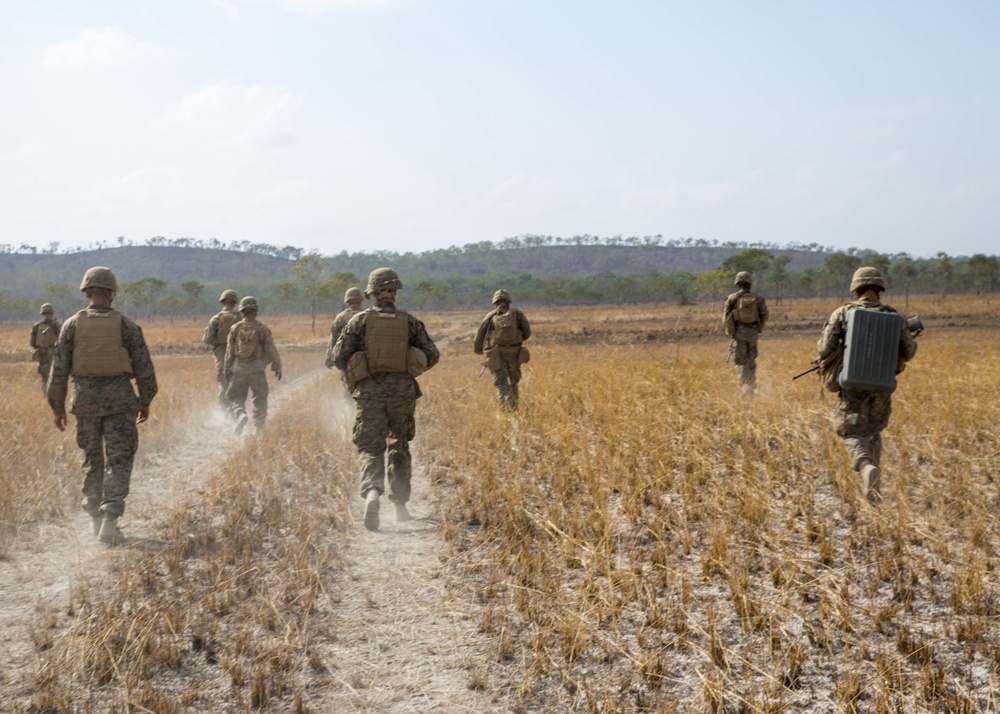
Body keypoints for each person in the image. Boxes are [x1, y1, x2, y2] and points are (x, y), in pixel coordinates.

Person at [47, 267, 158, 545]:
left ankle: (96, 521)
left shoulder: (71, 324)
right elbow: (144, 368)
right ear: (111, 292)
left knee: (92, 461)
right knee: (119, 460)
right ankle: (110, 520)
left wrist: (57, 407)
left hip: (84, 403)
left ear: (87, 292)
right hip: (120, 402)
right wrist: (145, 401)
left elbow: (58, 370)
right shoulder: (126, 324)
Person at [332, 268, 439, 532]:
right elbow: (432, 355)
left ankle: (372, 493)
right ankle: (401, 507)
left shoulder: (359, 321)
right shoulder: (410, 322)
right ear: (394, 291)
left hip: (369, 393)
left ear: (371, 293)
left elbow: (338, 357)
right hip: (403, 393)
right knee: (399, 445)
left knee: (370, 448)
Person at [817, 267, 917, 503]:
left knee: (851, 430)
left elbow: (823, 348)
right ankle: (874, 489)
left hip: (852, 386)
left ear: (856, 288)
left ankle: (864, 466)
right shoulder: (896, 317)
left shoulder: (842, 313)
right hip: (882, 387)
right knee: (873, 431)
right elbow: (909, 352)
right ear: (879, 288)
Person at [224, 296, 282, 435]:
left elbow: (229, 352)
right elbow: (270, 348)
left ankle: (240, 415)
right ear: (255, 311)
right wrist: (277, 365)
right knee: (260, 398)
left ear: (241, 311)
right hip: (257, 369)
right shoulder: (262, 328)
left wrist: (227, 369)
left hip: (239, 369)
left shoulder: (235, 328)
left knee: (235, 397)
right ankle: (258, 429)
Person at [473, 289, 531, 411]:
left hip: (496, 354)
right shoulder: (517, 314)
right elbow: (527, 333)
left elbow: (480, 335)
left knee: (501, 383)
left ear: (495, 302)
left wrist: (479, 350)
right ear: (509, 301)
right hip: (515, 353)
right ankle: (514, 408)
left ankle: (504, 410)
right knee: (513, 381)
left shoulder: (490, 316)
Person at [723, 271, 769, 396]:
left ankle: (745, 386)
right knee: (751, 360)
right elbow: (765, 315)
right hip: (753, 334)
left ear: (737, 283)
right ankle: (752, 387)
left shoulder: (732, 298)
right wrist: (758, 328)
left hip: (738, 334)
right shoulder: (758, 298)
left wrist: (731, 332)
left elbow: (726, 318)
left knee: (739, 361)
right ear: (750, 283)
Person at [203, 289, 241, 410]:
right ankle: (238, 410)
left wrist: (219, 343)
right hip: (238, 359)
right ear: (235, 303)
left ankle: (223, 413)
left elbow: (207, 339)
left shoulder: (215, 319)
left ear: (222, 302)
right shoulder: (240, 319)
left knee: (223, 386)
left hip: (222, 359)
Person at [325, 287, 364, 371]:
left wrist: (329, 358)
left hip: (346, 359)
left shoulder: (340, 317)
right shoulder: (366, 315)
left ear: (347, 300)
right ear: (361, 300)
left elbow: (333, 339)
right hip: (364, 360)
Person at [30, 303, 62, 396]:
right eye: (46, 313)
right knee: (46, 376)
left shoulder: (38, 326)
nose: (47, 315)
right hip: (46, 354)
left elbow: (32, 342)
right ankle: (48, 395)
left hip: (51, 353)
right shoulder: (57, 325)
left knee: (52, 375)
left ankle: (50, 394)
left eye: (48, 313)